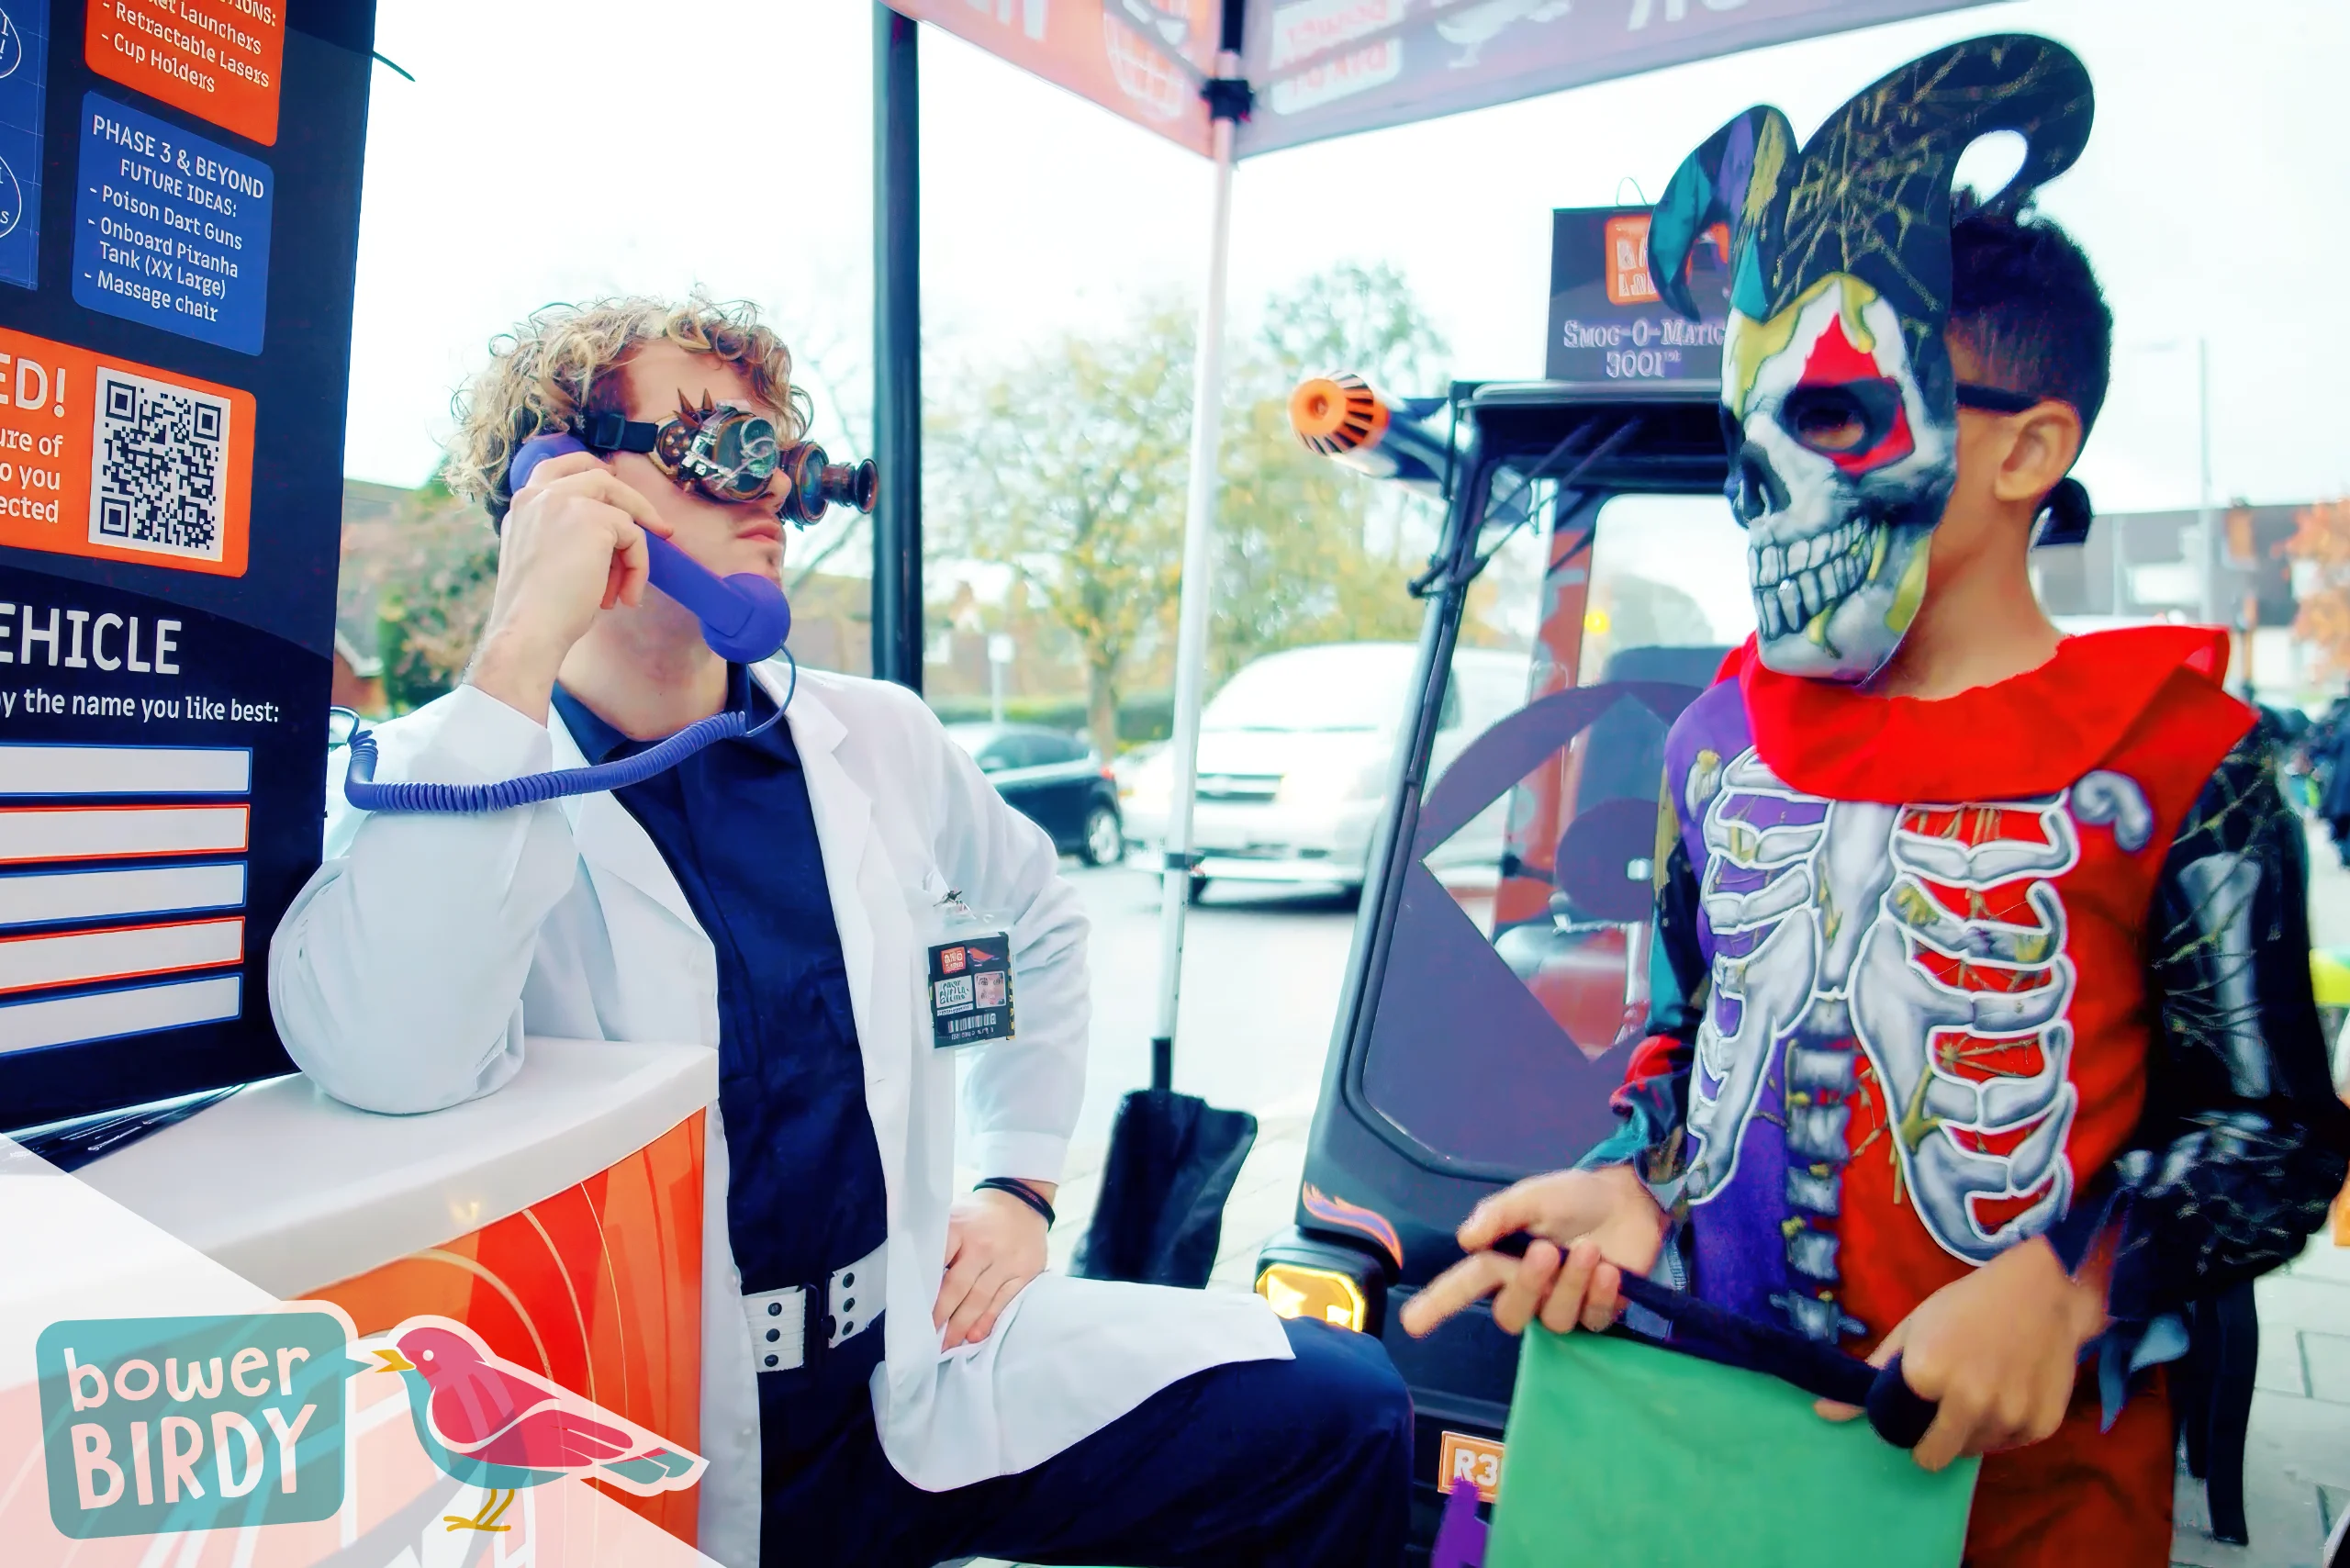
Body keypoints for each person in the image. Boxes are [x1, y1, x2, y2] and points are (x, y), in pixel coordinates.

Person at [1399, 37, 2350, 1568]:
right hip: (1707, 1454)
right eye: (1745, 426)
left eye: (1838, 413)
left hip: (2032, 1503)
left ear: (2030, 450)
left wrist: (2074, 1279)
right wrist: (1634, 1175)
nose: (1764, 482)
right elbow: (1689, 1020)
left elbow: (2272, 1130)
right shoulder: (1719, 737)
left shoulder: (2186, 762)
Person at [270, 295, 1410, 1567]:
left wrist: (1017, 1180)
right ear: (560, 480)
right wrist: (521, 641)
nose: (773, 498)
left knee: (1340, 1409)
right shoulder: (447, 772)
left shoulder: (876, 742)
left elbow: (1023, 926)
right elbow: (391, 1062)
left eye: (788, 461)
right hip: (656, 1433)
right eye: (719, 448)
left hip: (910, 1375)